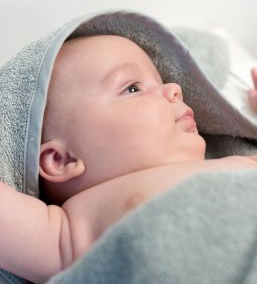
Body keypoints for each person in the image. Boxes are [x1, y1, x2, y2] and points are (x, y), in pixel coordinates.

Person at [1, 34, 257, 284]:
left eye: (161, 80)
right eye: (133, 88)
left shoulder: (240, 162)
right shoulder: (68, 231)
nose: (174, 89)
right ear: (61, 160)